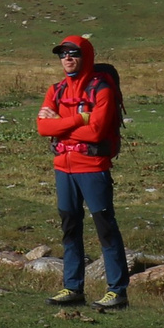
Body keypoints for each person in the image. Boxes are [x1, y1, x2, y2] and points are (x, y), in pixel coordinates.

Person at [36, 34, 127, 309]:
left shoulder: (102, 89)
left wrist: (61, 123)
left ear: (85, 56)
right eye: (62, 54)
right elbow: (42, 128)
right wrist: (79, 119)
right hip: (63, 169)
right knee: (70, 227)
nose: (67, 58)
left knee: (105, 228)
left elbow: (97, 131)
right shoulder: (56, 89)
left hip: (93, 167)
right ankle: (72, 287)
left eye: (73, 53)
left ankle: (117, 291)